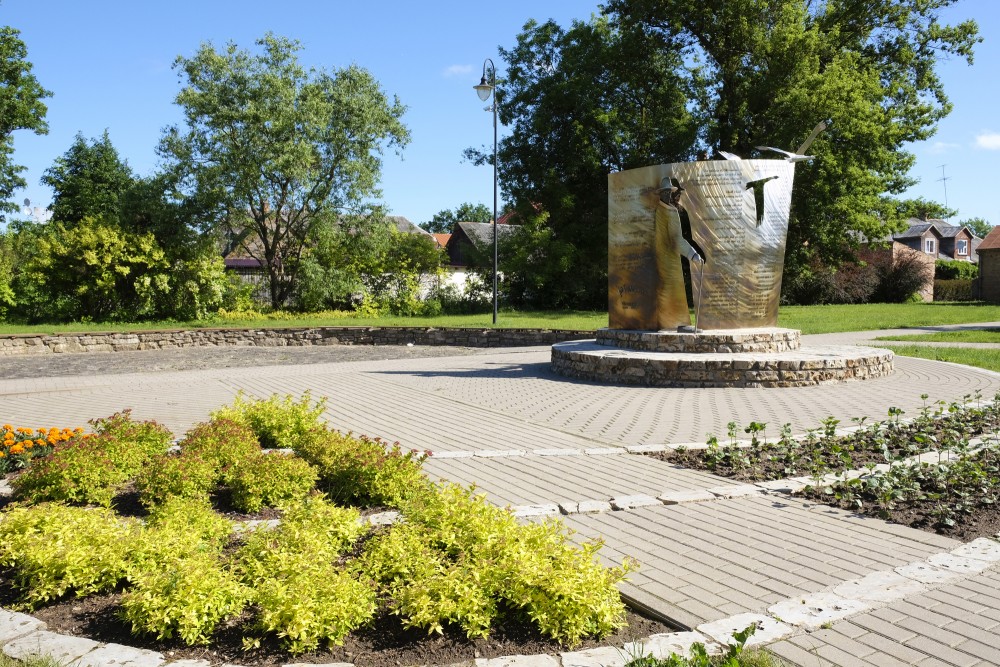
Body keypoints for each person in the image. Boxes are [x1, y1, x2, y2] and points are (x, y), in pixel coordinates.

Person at [653, 179, 704, 330]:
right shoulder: (669, 211)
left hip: (661, 258)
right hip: (668, 259)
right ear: (661, 194)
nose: (668, 195)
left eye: (670, 192)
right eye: (665, 192)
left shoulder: (658, 209)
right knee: (673, 290)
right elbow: (676, 239)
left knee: (666, 290)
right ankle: (676, 323)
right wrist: (692, 254)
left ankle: (670, 323)